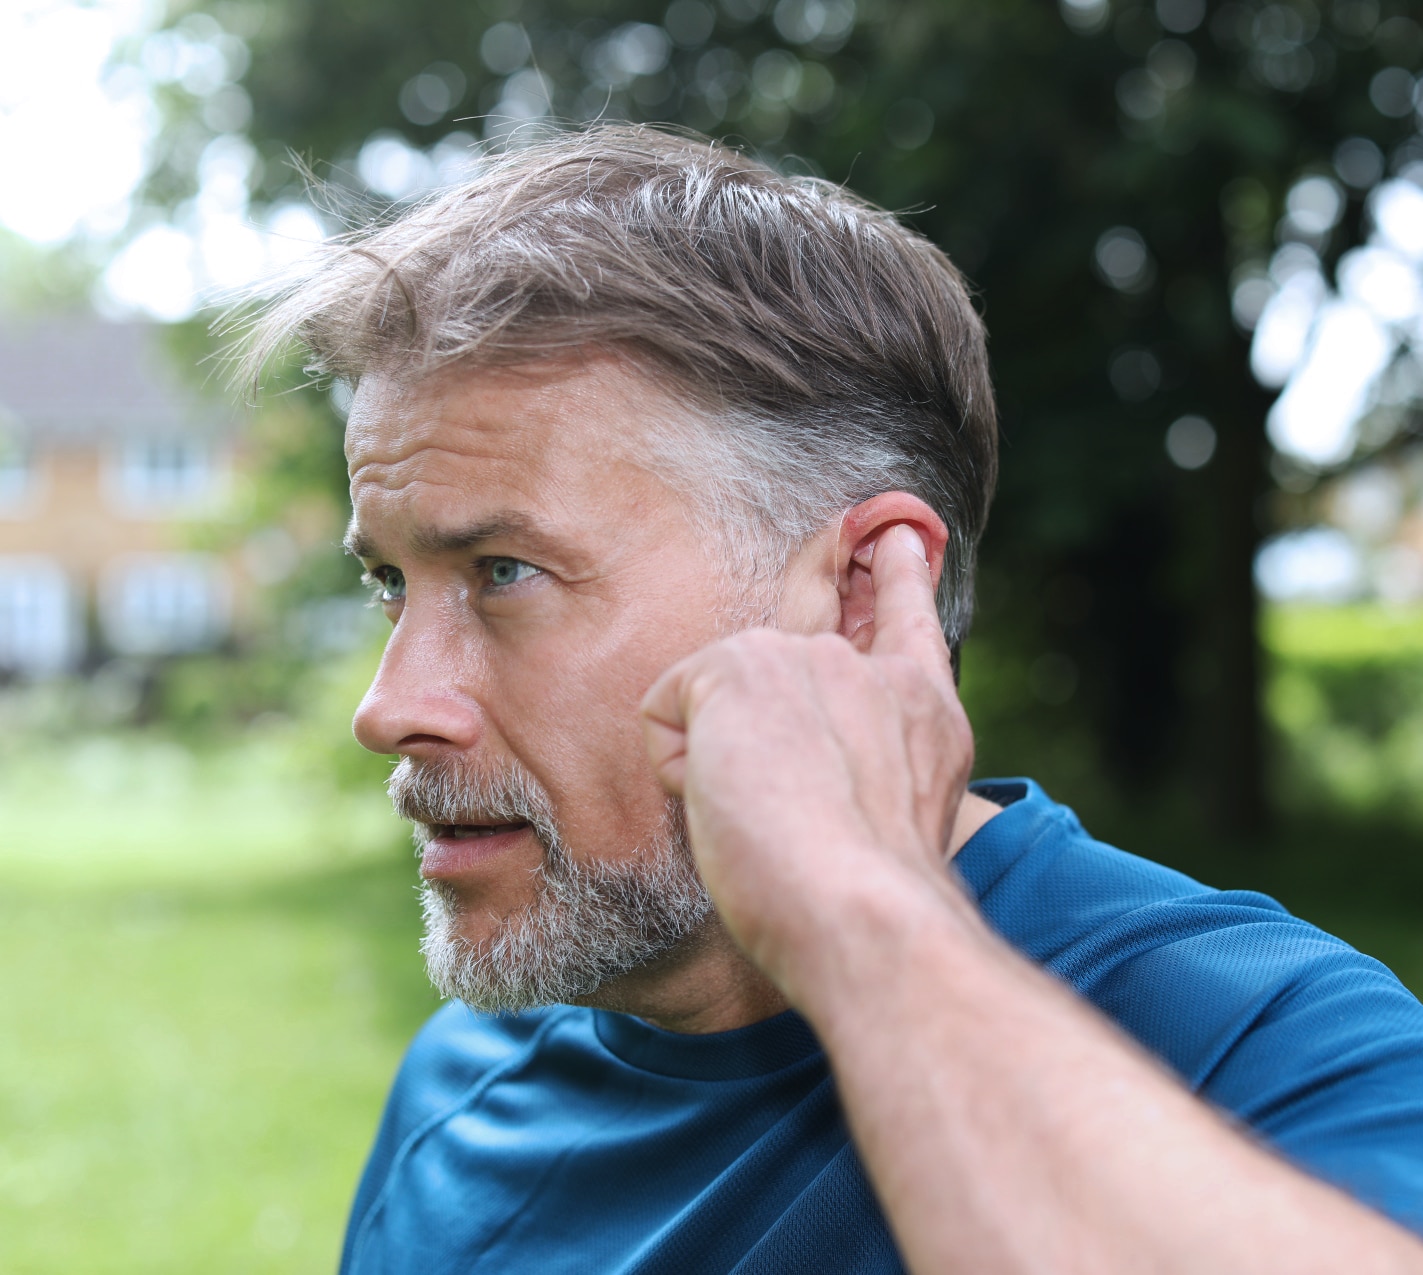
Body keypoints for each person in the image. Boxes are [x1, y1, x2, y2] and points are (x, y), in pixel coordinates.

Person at [246, 125, 1423, 1274]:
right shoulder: (464, 1094)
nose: (390, 705)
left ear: (861, 593)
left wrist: (859, 923)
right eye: (391, 583)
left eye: (504, 572)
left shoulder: (1256, 1043)